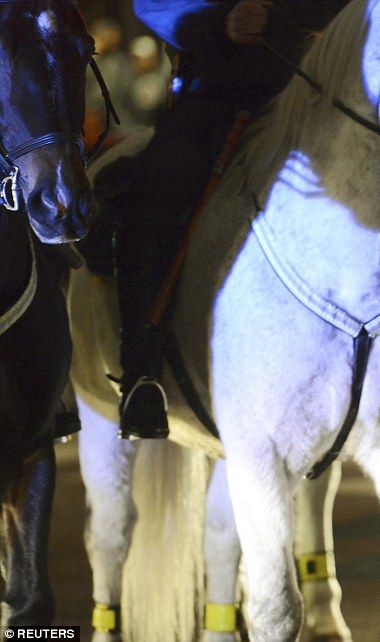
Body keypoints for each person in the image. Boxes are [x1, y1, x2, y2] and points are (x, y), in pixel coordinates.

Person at [98, 0, 347, 439]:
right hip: (219, 94)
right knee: (159, 189)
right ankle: (143, 372)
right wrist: (220, 21)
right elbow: (153, 5)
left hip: (329, 90)